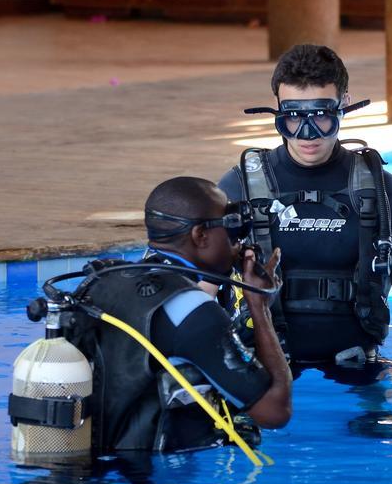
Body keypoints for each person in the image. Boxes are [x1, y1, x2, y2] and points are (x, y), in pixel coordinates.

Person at [218, 44, 392, 381]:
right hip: (261, 371)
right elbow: (200, 288)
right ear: (277, 110)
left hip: (359, 368)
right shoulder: (239, 185)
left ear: (343, 105)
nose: (307, 135)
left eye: (320, 116)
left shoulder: (380, 189)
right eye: (292, 117)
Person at [78, 176, 292, 453]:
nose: (239, 241)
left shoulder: (106, 280)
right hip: (153, 480)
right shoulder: (192, 311)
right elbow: (275, 411)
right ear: (200, 235)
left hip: (94, 465)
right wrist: (260, 306)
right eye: (231, 228)